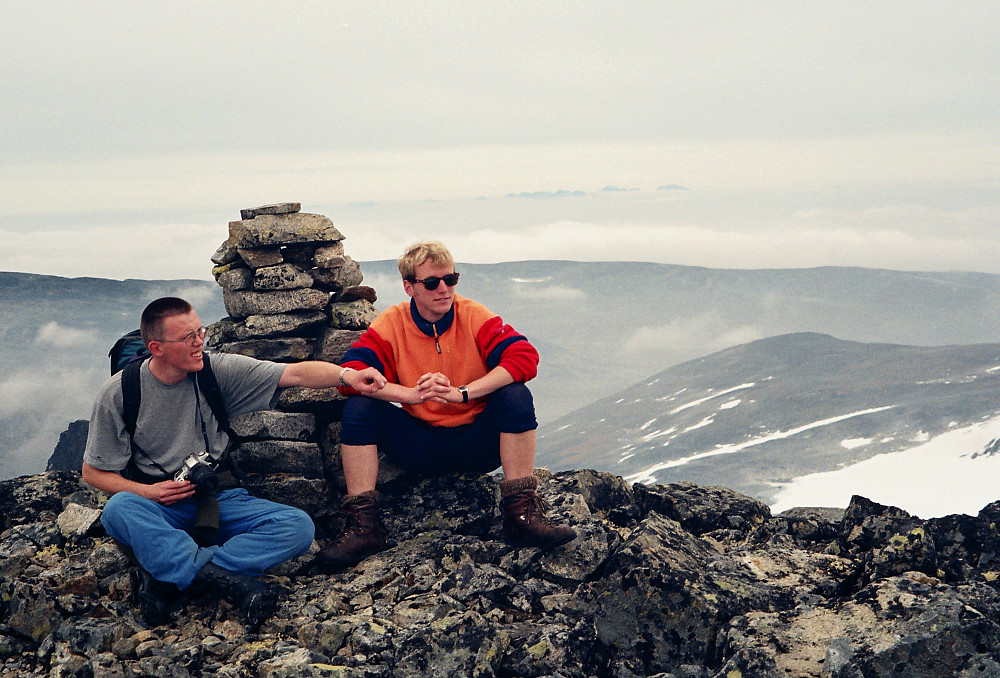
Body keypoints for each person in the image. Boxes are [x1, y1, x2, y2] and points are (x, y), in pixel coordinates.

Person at [82, 297, 386, 625]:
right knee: (118, 510)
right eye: (189, 338)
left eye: (201, 331)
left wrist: (347, 376)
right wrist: (149, 494)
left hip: (220, 498)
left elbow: (295, 374)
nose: (200, 342)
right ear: (156, 348)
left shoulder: (214, 371)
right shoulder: (119, 394)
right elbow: (93, 472)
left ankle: (174, 575)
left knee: (298, 527)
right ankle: (226, 578)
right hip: (160, 504)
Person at [316, 241, 575, 568]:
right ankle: (363, 528)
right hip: (420, 445)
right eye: (432, 282)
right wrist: (408, 395)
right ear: (409, 287)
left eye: (450, 279)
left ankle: (520, 516)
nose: (444, 289)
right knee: (360, 408)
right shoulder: (393, 325)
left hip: (479, 444)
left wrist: (462, 393)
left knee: (515, 395)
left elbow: (524, 358)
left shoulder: (473, 316)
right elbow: (352, 374)